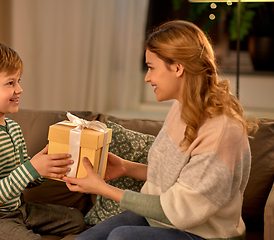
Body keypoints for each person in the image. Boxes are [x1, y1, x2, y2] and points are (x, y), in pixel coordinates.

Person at [63, 20, 258, 240]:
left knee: (122, 238)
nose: (147, 77)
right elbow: (176, 180)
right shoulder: (182, 107)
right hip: (163, 222)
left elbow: (182, 211)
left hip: (205, 235)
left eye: (151, 67)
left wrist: (103, 189)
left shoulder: (221, 130)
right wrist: (126, 167)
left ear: (177, 67)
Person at [0, 42, 86, 240]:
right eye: (10, 83)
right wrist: (32, 168)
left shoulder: (13, 129)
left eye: (18, 81)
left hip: (16, 210)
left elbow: (25, 179)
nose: (20, 89)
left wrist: (49, 167)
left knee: (76, 219)